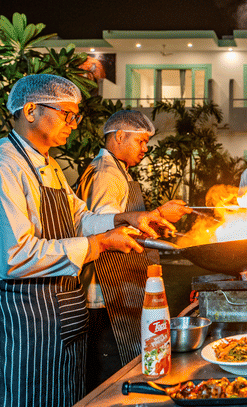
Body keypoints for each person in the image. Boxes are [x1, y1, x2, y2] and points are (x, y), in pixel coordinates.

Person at [0, 74, 182, 407]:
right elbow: (14, 256)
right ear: (30, 110)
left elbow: (79, 219)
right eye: (67, 115)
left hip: (56, 322)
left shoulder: (49, 166)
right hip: (14, 326)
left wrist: (124, 219)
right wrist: (101, 244)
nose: (73, 125)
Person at [76, 110, 189, 390]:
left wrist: (156, 219)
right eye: (141, 141)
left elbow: (123, 221)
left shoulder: (115, 170)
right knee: (110, 374)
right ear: (119, 137)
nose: (145, 148)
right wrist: (159, 213)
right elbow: (107, 228)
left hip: (114, 288)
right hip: (105, 292)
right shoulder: (107, 174)